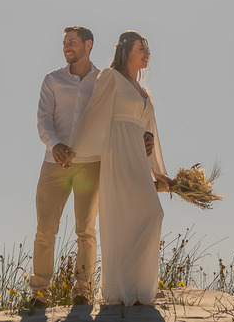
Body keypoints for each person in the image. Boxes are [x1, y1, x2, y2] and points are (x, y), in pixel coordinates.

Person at [67, 31, 172, 307]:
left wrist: (157, 170)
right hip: (118, 152)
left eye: (148, 48)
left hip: (138, 154)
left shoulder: (144, 92)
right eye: (141, 47)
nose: (147, 52)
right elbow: (94, 114)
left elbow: (151, 132)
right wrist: (76, 151)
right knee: (130, 217)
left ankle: (138, 289)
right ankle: (121, 289)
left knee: (149, 214)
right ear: (126, 50)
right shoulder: (111, 78)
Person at [31, 26, 103, 307]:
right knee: (45, 230)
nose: (66, 47)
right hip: (54, 165)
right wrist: (55, 145)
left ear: (88, 44)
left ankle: (82, 292)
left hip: (90, 165)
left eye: (72, 42)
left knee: (86, 230)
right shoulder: (52, 80)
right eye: (64, 43)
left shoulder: (103, 80)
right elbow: (43, 119)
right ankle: (39, 293)